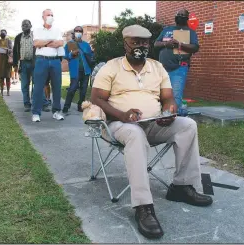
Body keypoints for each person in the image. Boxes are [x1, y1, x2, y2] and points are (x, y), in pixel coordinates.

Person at [91, 25, 212, 239]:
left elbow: (168, 97)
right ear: (125, 43)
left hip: (154, 124)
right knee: (135, 134)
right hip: (120, 125)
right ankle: (143, 206)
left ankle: (182, 187)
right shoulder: (111, 67)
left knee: (187, 125)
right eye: (135, 41)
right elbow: (97, 98)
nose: (140, 46)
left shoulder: (157, 67)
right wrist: (122, 114)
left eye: (144, 42)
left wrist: (168, 111)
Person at [154, 9, 199, 115]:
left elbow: (195, 47)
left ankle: (175, 118)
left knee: (175, 96)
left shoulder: (190, 32)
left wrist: (180, 44)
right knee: (160, 95)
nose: (180, 16)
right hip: (163, 69)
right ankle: (166, 114)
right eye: (179, 14)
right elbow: (156, 44)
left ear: (187, 18)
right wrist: (166, 44)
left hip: (179, 68)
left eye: (183, 15)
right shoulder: (167, 29)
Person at [31, 9, 64, 122]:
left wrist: (44, 42)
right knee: (38, 87)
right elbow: (36, 43)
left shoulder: (57, 30)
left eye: (52, 15)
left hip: (55, 61)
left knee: (57, 87)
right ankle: (36, 113)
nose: (50, 16)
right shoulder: (37, 29)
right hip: (42, 60)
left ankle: (56, 111)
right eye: (48, 15)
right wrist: (50, 41)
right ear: (43, 17)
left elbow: (60, 43)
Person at [13, 19, 51, 112]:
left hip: (35, 63)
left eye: (27, 25)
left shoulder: (36, 36)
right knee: (24, 85)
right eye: (23, 25)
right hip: (23, 64)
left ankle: (44, 104)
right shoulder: (18, 37)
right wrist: (15, 65)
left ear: (31, 26)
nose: (25, 27)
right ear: (21, 27)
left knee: (38, 84)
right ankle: (27, 104)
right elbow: (15, 52)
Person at [63, 26, 94, 113]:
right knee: (72, 89)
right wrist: (71, 54)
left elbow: (90, 56)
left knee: (83, 90)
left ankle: (80, 106)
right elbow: (65, 55)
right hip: (75, 70)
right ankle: (66, 106)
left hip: (86, 70)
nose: (78, 32)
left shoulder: (86, 45)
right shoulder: (70, 44)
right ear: (74, 32)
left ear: (82, 32)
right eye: (76, 31)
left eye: (79, 31)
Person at [0, 29, 13, 96]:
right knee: (1, 77)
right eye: (1, 33)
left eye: (4, 33)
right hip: (0, 60)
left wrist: (6, 50)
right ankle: (1, 91)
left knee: (8, 77)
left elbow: (11, 50)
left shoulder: (9, 41)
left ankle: (8, 91)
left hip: (7, 61)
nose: (2, 34)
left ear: (6, 34)